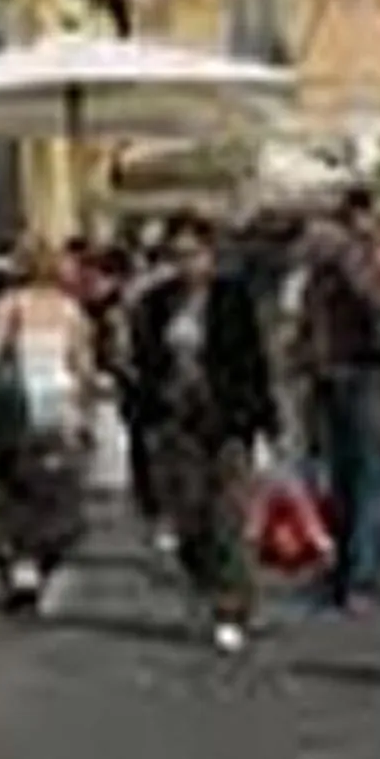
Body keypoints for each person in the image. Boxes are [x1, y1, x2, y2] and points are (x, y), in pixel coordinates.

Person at [128, 215, 278, 655]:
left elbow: (254, 362)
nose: (186, 263)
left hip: (229, 420)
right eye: (177, 255)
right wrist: (147, 411)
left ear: (211, 255)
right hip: (177, 422)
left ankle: (232, 608)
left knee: (228, 516)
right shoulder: (156, 302)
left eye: (193, 254)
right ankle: (207, 583)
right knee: (190, 517)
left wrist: (265, 422)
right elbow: (143, 362)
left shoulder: (234, 299)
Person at [297, 189, 380, 610]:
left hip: (348, 377)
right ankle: (354, 574)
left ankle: (351, 574)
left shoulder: (333, 266)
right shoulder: (358, 260)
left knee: (355, 480)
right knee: (360, 480)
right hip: (355, 376)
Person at [0, 241, 96, 612]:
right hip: (59, 405)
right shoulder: (71, 311)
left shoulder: (10, 305)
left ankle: (22, 563)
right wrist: (84, 414)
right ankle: (43, 558)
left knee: (15, 485)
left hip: (19, 405)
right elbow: (82, 367)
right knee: (58, 490)